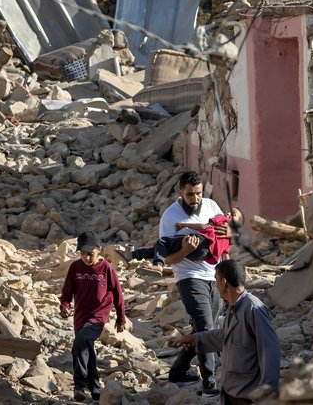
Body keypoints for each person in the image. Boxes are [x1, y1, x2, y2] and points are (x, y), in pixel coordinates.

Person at [160, 170, 231, 396]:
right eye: (190, 194)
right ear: (180, 192)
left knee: (204, 329)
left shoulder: (212, 206)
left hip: (215, 275)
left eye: (198, 193)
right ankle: (209, 380)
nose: (195, 198)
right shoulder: (170, 218)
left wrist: (230, 234)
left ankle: (179, 370)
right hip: (189, 278)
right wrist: (185, 250)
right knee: (205, 327)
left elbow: (226, 237)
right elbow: (166, 259)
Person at [175, 259, 281, 404]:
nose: (216, 287)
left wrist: (267, 392)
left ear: (224, 282)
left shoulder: (253, 308)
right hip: (231, 389)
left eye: (216, 281)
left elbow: (270, 349)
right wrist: (195, 339)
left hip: (247, 394)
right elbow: (225, 336)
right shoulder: (234, 306)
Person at [60, 231, 126, 402]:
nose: (86, 258)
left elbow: (118, 294)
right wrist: (64, 305)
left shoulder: (106, 269)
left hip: (98, 316)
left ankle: (79, 385)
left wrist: (121, 318)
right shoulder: (75, 267)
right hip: (80, 316)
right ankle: (96, 389)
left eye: (90, 254)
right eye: (82, 254)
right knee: (86, 350)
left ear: (99, 249)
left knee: (80, 343)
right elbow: (67, 290)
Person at [116, 207, 244, 277]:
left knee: (163, 242)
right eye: (229, 211)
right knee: (163, 250)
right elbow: (225, 256)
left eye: (232, 214)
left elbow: (204, 227)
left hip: (200, 243)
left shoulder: (222, 221)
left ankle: (158, 266)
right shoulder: (228, 239)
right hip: (202, 256)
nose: (228, 213)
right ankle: (132, 255)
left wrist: (184, 225)